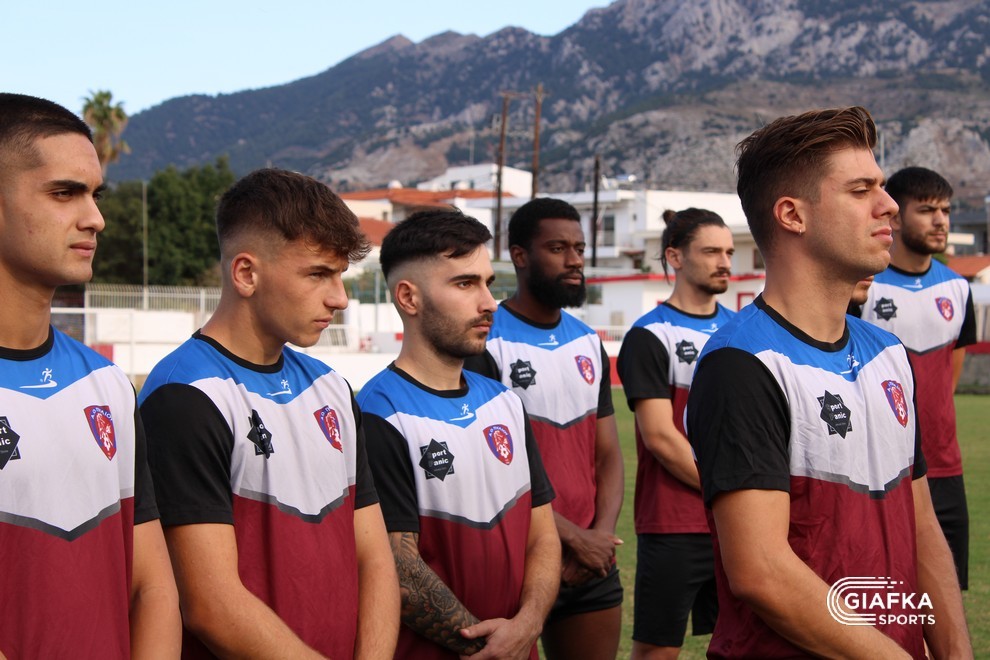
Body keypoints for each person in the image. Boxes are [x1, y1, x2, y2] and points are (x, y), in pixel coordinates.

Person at [686, 106, 972, 658]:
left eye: (881, 187)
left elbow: (920, 524)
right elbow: (762, 571)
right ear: (792, 215)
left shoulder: (889, 353)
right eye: (861, 190)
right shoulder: (742, 363)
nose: (888, 205)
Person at [138, 168, 399, 658]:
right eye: (318, 274)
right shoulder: (185, 396)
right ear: (246, 274)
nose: (340, 298)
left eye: (340, 275)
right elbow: (211, 605)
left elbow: (375, 557)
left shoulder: (331, 388)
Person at [0, 93, 180, 657]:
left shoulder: (107, 385)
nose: (95, 218)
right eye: (64, 193)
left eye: (95, 195)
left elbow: (153, 587)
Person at [358, 209, 561, 659]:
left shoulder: (505, 403)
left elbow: (543, 534)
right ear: (409, 298)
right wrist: (494, 648)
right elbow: (398, 570)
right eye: (466, 284)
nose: (490, 303)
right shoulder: (378, 415)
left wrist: (528, 624)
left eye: (488, 283)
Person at [463, 197, 625, 660]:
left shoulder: (587, 341)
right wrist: (572, 539)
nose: (574, 260)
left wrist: (600, 539)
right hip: (520, 557)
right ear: (519, 256)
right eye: (557, 248)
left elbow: (608, 455)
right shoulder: (485, 342)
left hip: (590, 560)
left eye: (579, 248)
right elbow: (489, 471)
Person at [616, 207, 735, 659]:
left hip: (739, 522)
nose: (724, 262)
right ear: (675, 257)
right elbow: (660, 438)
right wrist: (730, 488)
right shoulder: (650, 335)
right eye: (711, 251)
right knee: (657, 649)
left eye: (728, 252)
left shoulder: (741, 331)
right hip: (674, 523)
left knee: (744, 644)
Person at [858, 167, 976, 590]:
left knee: (946, 599)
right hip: (880, 470)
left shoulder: (958, 288)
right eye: (926, 210)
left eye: (945, 210)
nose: (940, 220)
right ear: (895, 217)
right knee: (888, 600)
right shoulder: (864, 286)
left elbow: (948, 379)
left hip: (944, 468)